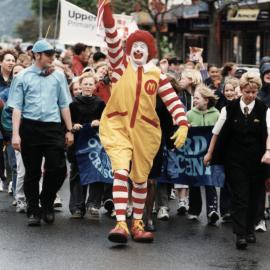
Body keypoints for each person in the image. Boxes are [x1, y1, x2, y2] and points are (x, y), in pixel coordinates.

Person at [99, 0, 188, 244]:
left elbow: (173, 101)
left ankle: (137, 222)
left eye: (143, 46)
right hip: (117, 126)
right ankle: (120, 223)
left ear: (150, 51)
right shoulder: (118, 66)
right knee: (120, 171)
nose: (138, 49)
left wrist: (182, 124)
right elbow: (112, 37)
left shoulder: (157, 74)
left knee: (140, 179)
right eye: (134, 46)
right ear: (129, 50)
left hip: (146, 132)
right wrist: (106, 11)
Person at [8, 39, 74, 226]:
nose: (52, 58)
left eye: (53, 54)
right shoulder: (22, 77)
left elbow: (64, 104)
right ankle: (33, 210)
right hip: (30, 127)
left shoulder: (59, 76)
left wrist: (69, 130)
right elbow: (17, 108)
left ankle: (47, 202)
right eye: (48, 55)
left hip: (53, 127)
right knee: (32, 172)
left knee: (59, 168)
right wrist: (15, 134)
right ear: (37, 55)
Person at [204, 72, 270, 250]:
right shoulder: (229, 109)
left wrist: (268, 151)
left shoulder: (264, 109)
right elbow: (216, 133)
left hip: (258, 160)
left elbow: (269, 133)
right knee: (240, 195)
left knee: (255, 196)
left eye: (254, 92)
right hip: (235, 160)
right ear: (241, 90)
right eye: (247, 91)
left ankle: (250, 229)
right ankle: (240, 234)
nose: (250, 95)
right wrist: (209, 153)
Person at [68, 73, 106, 218]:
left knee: (96, 172)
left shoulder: (100, 103)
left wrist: (100, 122)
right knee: (77, 173)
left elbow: (108, 121)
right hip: (78, 143)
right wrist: (73, 125)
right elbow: (67, 121)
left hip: (96, 144)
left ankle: (94, 204)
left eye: (91, 84)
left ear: (95, 86)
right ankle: (77, 207)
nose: (88, 86)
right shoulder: (73, 103)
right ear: (80, 85)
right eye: (85, 84)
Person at [186, 84, 220, 225]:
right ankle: (194, 210)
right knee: (194, 183)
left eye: (198, 98)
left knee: (210, 181)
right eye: (194, 98)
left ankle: (212, 210)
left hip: (209, 155)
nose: (195, 101)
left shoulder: (216, 114)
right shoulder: (189, 114)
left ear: (206, 100)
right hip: (194, 155)